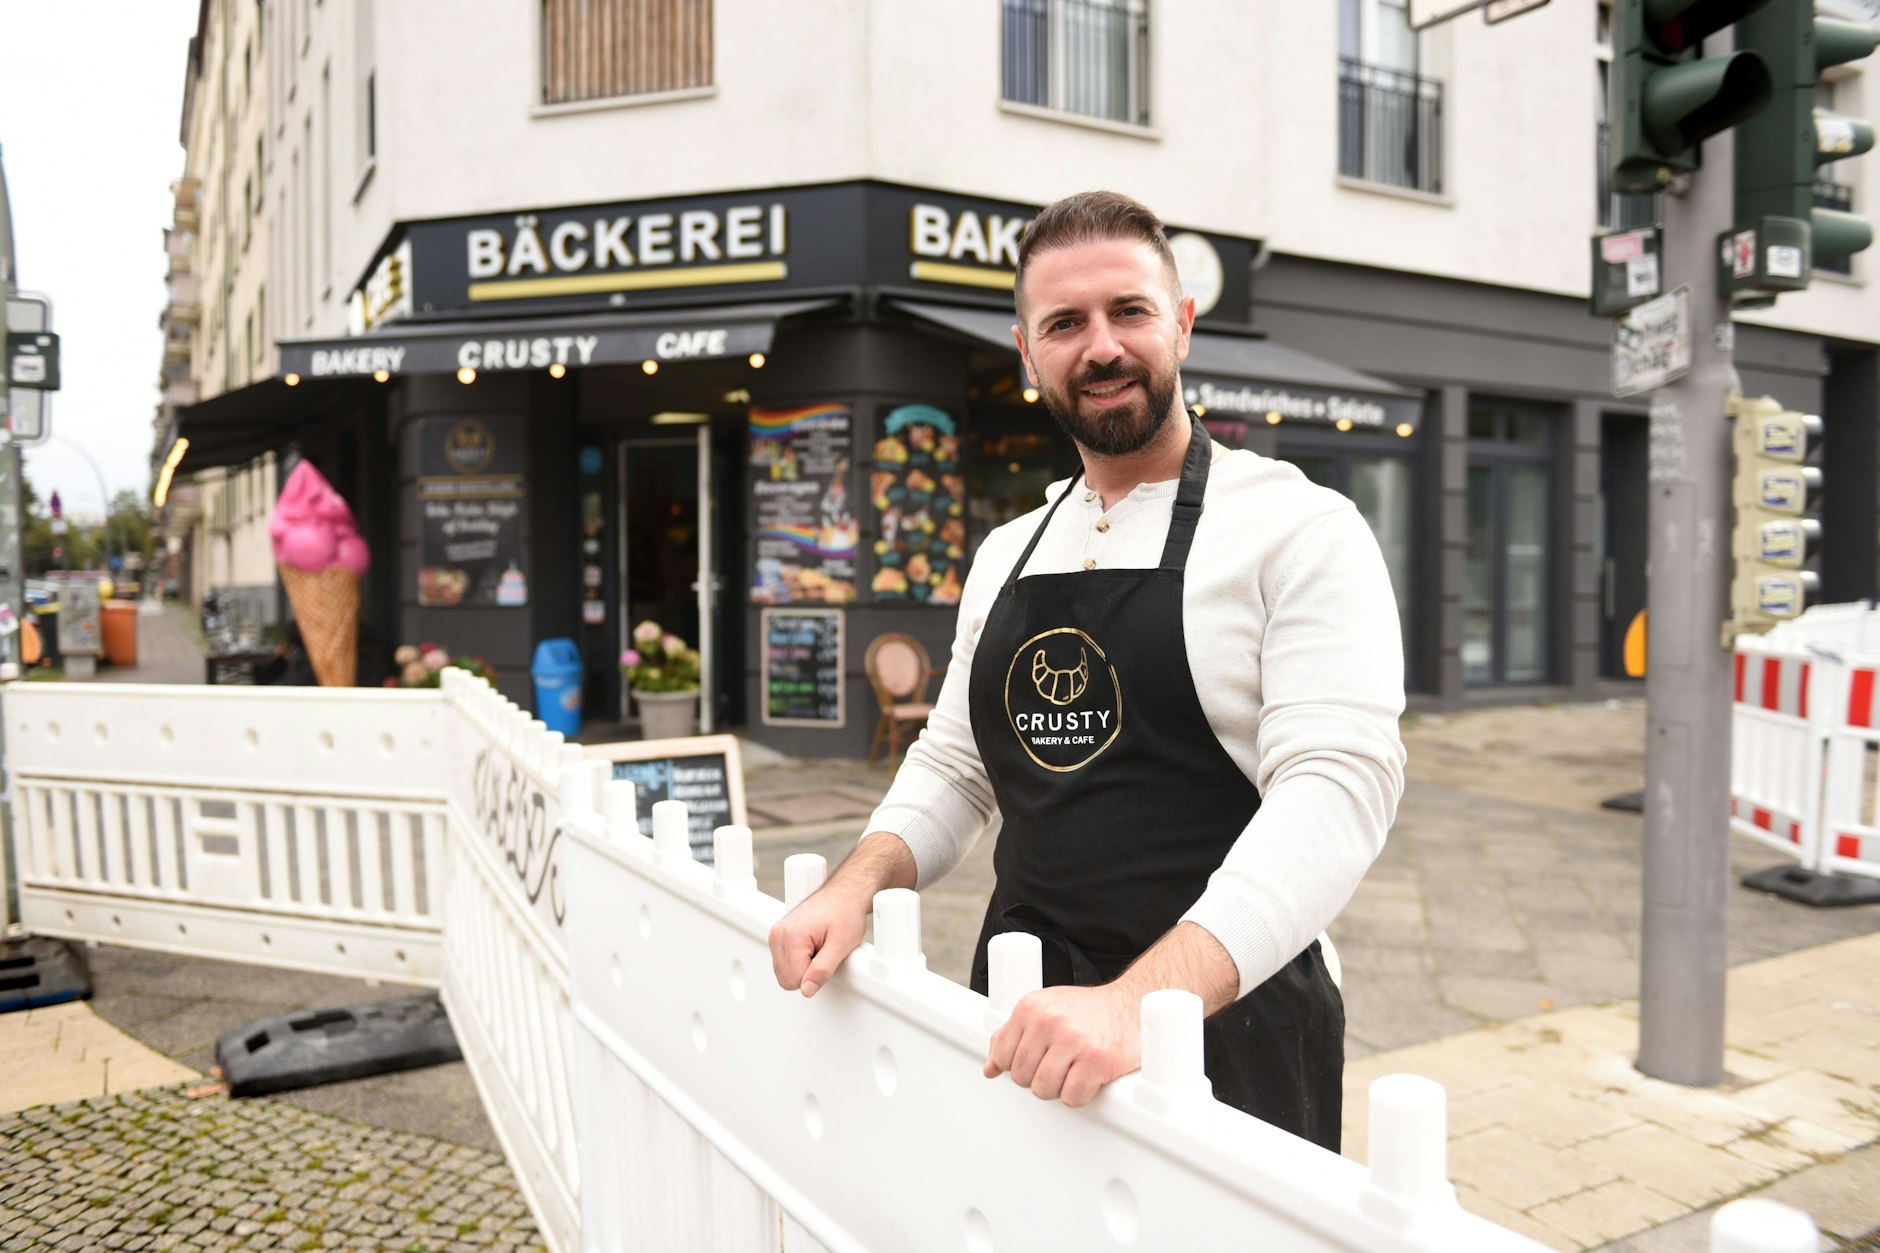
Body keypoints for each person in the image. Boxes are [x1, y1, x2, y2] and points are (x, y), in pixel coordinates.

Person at [768, 191, 1404, 1150]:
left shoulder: (1298, 527)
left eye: (1130, 311)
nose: (1101, 346)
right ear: (1028, 355)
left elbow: (1337, 790)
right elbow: (955, 765)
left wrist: (1138, 1005)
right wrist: (859, 880)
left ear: (1182, 324)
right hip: (1026, 1013)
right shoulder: (1007, 550)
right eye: (1065, 323)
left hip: (1229, 1024)